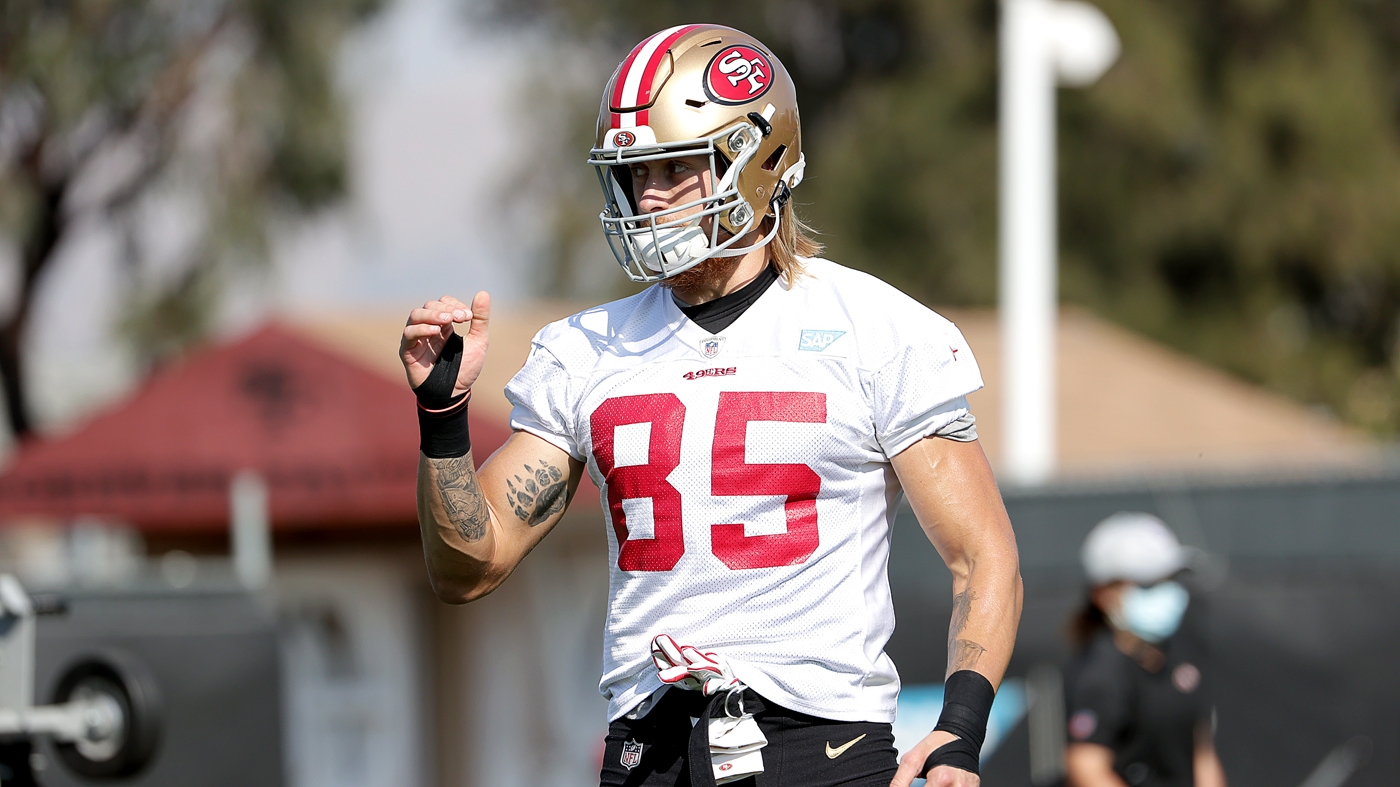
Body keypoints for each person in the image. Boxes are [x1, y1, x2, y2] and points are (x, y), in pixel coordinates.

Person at [400, 24, 1022, 787]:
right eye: (634, 174)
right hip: (647, 751)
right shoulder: (587, 349)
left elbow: (982, 555)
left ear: (757, 162)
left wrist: (960, 729)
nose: (649, 196)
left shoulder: (876, 329)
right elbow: (468, 565)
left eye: (674, 166)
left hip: (819, 745)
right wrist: (443, 422)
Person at [1064, 513, 1227, 787]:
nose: (1167, 592)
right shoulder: (1101, 672)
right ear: (1104, 595)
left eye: (1171, 579)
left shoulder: (1182, 652)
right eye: (1149, 584)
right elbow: (1086, 768)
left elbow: (1200, 749)